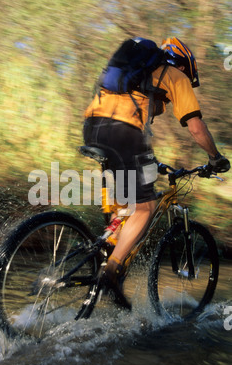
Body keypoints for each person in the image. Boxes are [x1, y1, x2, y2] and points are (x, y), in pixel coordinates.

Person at [83, 37, 230, 308]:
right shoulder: (175, 75)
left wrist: (152, 162)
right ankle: (111, 273)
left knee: (126, 207)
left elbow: (140, 135)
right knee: (145, 208)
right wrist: (215, 158)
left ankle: (108, 253)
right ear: (185, 65)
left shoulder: (136, 77)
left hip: (93, 126)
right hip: (122, 132)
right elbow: (196, 128)